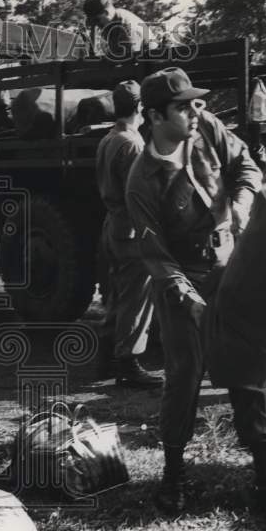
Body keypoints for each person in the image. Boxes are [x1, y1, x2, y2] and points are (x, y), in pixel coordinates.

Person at [126, 67, 266, 528]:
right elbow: (155, 254)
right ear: (153, 115)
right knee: (184, 375)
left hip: (232, 267)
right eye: (183, 106)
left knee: (251, 370)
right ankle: (174, 474)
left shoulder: (207, 128)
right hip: (182, 279)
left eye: (195, 102)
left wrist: (243, 202)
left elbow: (246, 165)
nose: (195, 110)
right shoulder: (141, 179)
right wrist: (188, 296)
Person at [95, 80, 163, 388]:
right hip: (132, 231)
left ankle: (105, 358)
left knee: (119, 295)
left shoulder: (109, 139)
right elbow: (140, 193)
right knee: (136, 298)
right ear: (140, 108)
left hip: (113, 225)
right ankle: (128, 362)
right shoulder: (132, 144)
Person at [83, 0, 154, 61]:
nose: (96, 24)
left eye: (97, 20)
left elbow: (130, 60)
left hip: (150, 65)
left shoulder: (126, 25)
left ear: (106, 12)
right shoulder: (110, 23)